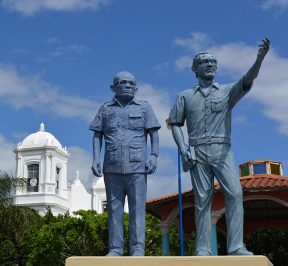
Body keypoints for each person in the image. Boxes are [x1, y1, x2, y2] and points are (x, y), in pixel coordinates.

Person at [168, 38, 270, 256]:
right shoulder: (184, 96)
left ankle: (236, 246)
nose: (210, 64)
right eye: (204, 61)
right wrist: (183, 148)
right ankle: (203, 248)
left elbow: (248, 79)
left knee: (235, 194)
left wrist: (259, 59)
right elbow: (175, 123)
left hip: (222, 151)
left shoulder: (227, 91)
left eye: (213, 61)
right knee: (202, 200)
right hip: (197, 151)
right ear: (195, 68)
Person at [90, 71, 161, 256]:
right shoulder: (105, 109)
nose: (128, 85)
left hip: (137, 168)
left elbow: (154, 133)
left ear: (136, 88)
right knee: (114, 211)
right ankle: (115, 249)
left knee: (138, 209)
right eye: (123, 82)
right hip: (112, 167)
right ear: (113, 87)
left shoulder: (145, 108)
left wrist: (154, 156)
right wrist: (96, 159)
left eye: (132, 83)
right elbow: (97, 135)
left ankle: (138, 248)